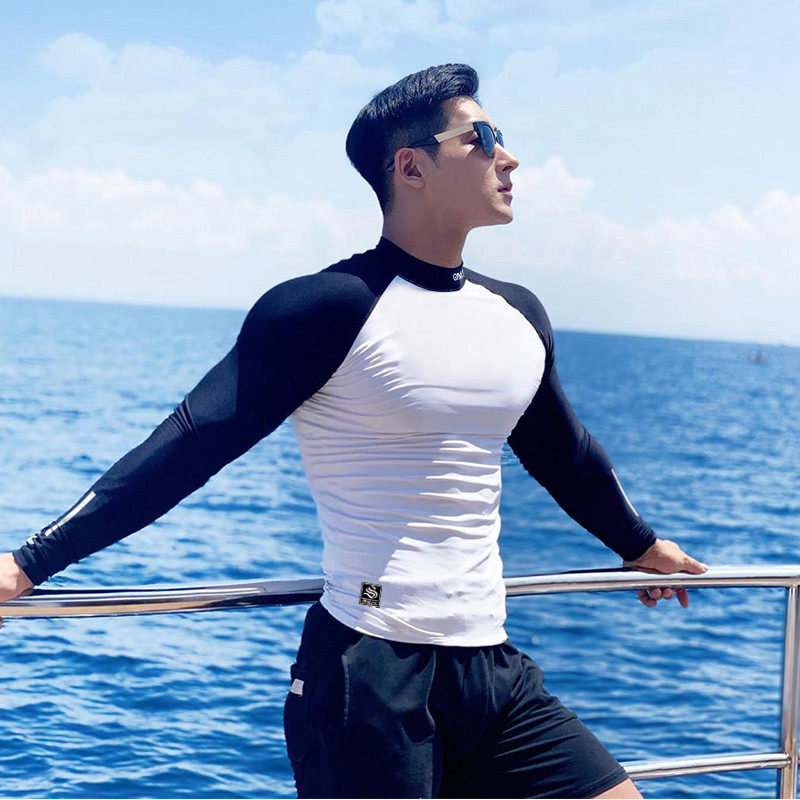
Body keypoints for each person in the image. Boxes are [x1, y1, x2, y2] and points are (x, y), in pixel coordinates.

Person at [0, 63, 707, 798]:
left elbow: (565, 454)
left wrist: (641, 545)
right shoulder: (326, 308)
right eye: (482, 137)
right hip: (368, 676)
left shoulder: (518, 315)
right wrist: (29, 563)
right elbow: (188, 445)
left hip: (492, 671)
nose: (509, 157)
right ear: (411, 167)